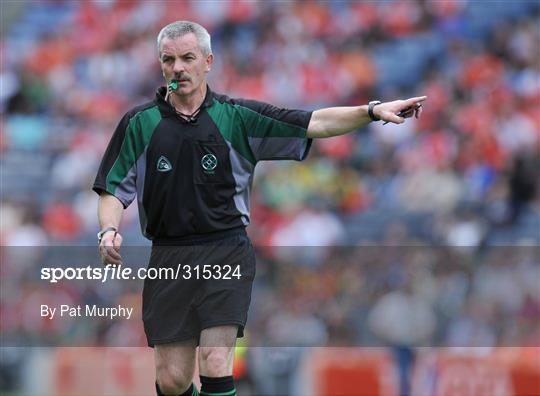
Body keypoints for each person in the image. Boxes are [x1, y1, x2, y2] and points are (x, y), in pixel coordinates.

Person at [93, 20, 426, 396]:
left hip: (226, 249)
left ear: (208, 61)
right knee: (172, 380)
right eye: (169, 60)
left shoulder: (238, 118)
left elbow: (313, 122)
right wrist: (108, 228)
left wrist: (371, 110)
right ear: (160, 64)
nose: (178, 68)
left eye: (188, 58)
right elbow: (112, 189)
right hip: (169, 256)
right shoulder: (140, 123)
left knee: (216, 362)